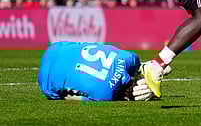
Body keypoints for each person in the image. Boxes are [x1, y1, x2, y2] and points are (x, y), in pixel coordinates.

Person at [38, 42, 170, 101]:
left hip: (56, 47)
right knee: (65, 94)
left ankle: (149, 66)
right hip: (45, 82)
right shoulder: (104, 95)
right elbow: (72, 97)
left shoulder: (130, 58)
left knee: (83, 47)